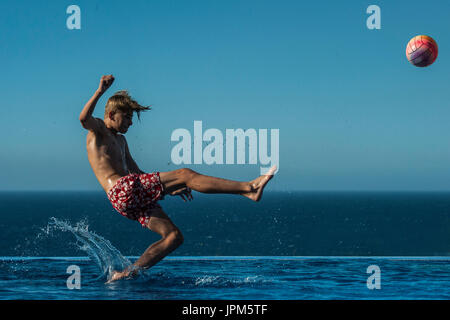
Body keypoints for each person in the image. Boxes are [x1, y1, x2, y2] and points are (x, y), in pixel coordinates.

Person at [79, 75, 277, 282]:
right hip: (121, 190)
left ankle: (126, 273)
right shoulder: (99, 130)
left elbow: (137, 173)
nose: (130, 122)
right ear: (111, 114)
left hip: (125, 199)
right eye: (127, 117)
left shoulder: (121, 141)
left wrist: (170, 188)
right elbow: (83, 119)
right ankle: (249, 187)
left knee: (174, 237)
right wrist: (100, 91)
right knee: (185, 174)